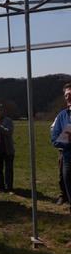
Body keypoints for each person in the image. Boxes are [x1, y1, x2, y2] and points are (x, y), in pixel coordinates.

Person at [51, 82, 71, 212]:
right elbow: (54, 139)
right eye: (66, 95)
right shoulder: (62, 115)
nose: (68, 97)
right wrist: (68, 141)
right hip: (68, 158)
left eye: (70, 94)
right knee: (68, 184)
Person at [0, 103, 15, 193]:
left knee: (9, 170)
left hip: (8, 149)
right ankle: (1, 187)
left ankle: (9, 188)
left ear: (2, 111)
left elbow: (9, 132)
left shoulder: (8, 120)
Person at [51, 117, 68, 205]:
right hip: (64, 150)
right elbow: (53, 129)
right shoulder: (62, 116)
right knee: (63, 174)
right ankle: (63, 195)